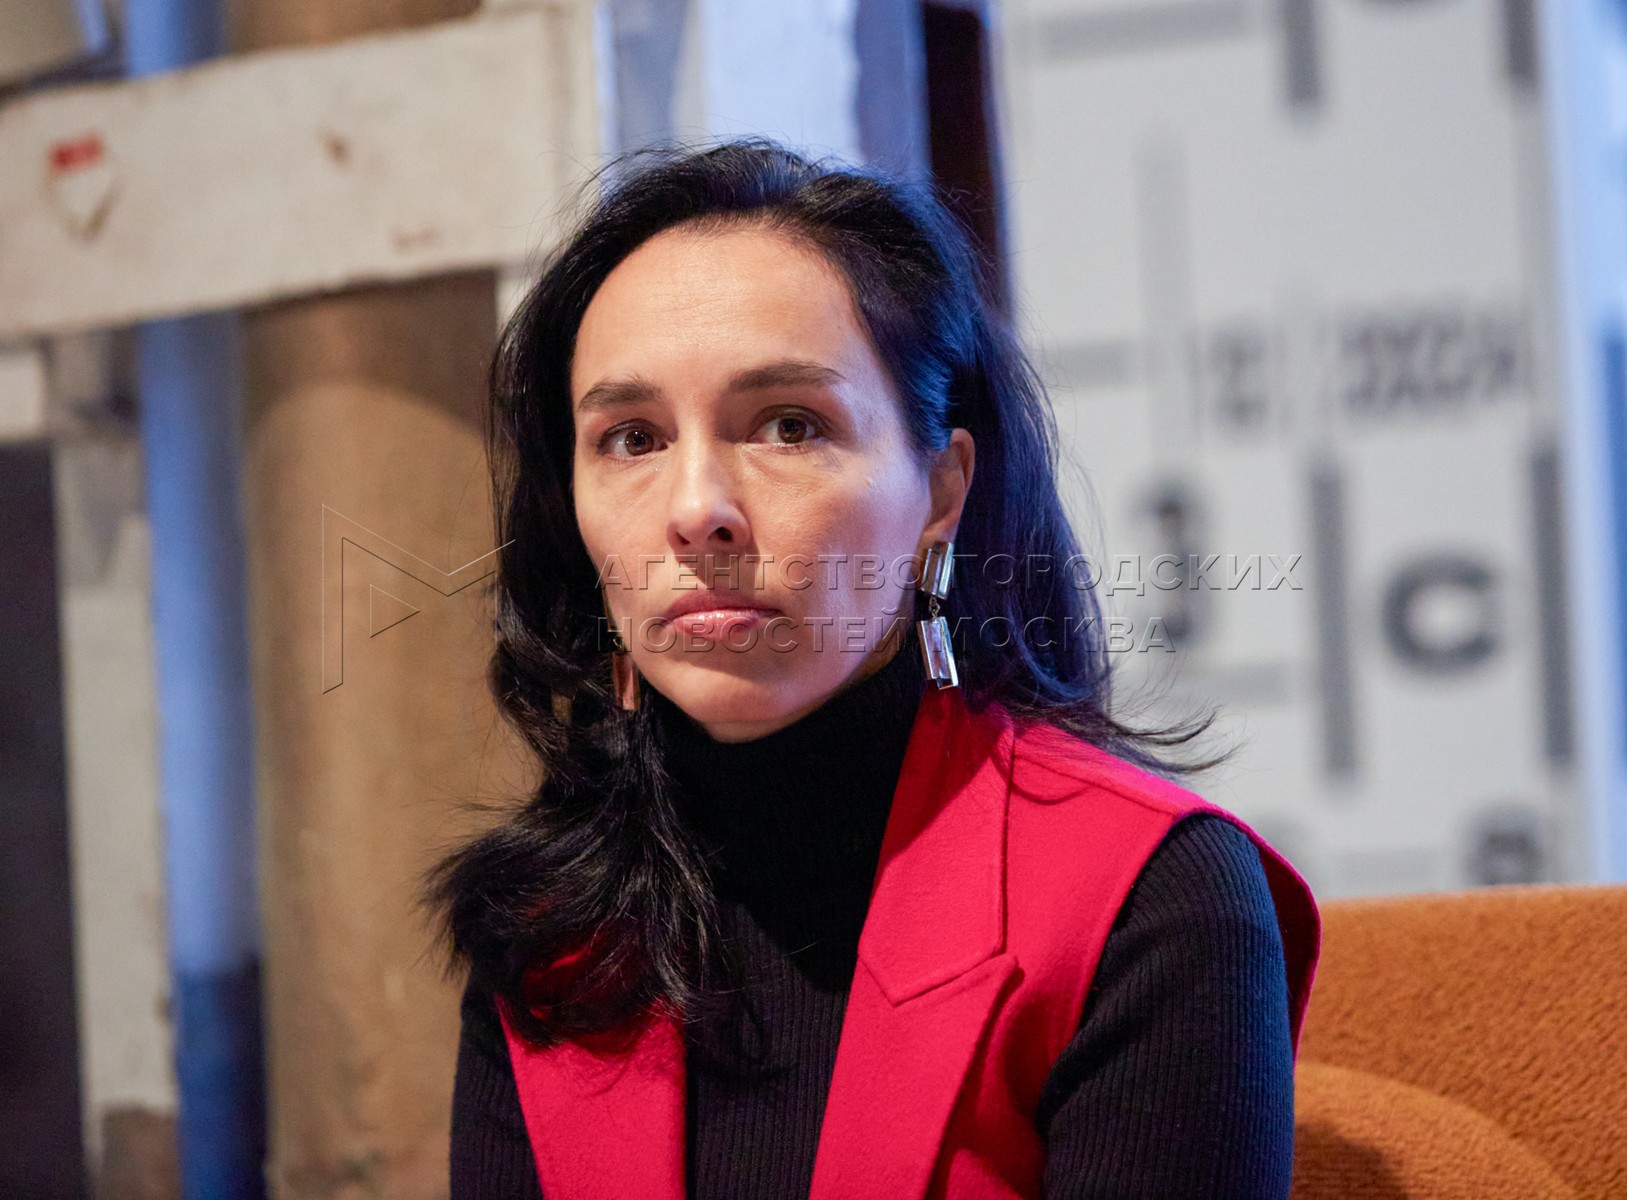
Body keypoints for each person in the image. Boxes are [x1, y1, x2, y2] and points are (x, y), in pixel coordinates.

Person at [431, 140, 1320, 1200]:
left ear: (940, 490)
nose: (696, 509)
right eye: (630, 439)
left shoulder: (1147, 896)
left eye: (789, 426)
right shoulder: (547, 926)